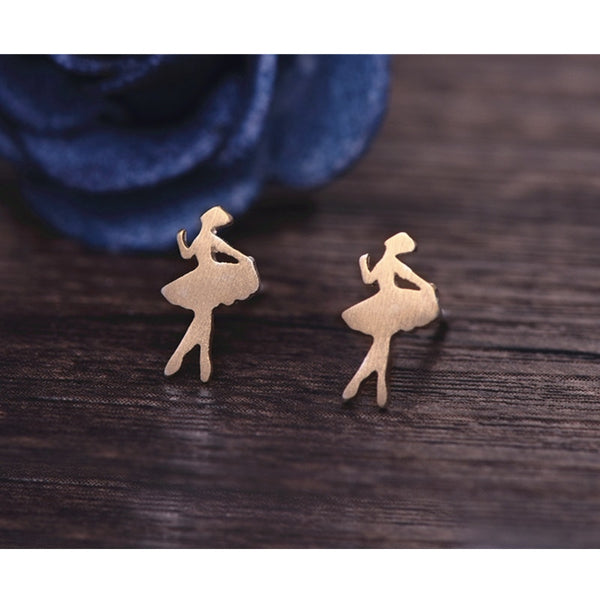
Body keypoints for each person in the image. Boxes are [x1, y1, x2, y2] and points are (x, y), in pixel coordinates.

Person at [342, 232, 439, 407]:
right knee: (382, 341)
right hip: (389, 304)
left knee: (381, 341)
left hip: (391, 303)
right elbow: (370, 279)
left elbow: (412, 279)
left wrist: (428, 290)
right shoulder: (389, 263)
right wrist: (363, 264)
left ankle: (363, 382)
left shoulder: (390, 263)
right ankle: (377, 383)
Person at [162, 206, 259, 381]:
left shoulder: (200, 239)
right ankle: (198, 358)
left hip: (205, 278)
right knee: (203, 318)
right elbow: (232, 253)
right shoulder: (211, 239)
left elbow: (187, 254)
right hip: (209, 279)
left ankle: (184, 357)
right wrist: (246, 261)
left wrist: (180, 240)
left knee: (202, 317)